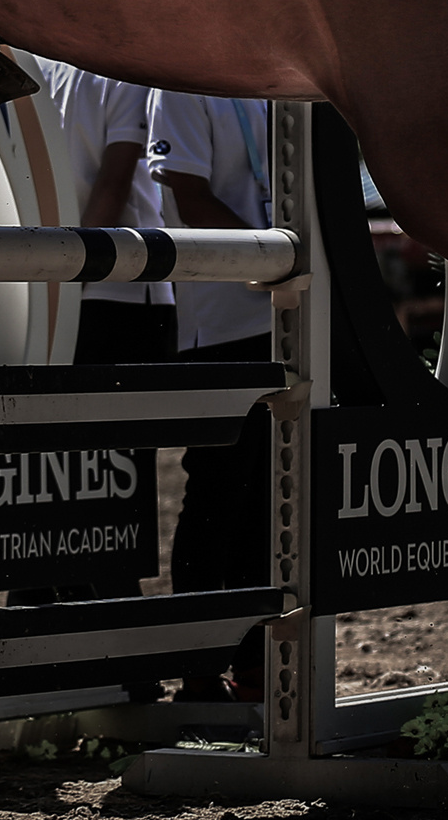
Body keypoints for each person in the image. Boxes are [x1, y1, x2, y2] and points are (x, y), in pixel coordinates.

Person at [144, 88, 273, 701]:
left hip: (285, 315)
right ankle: (196, 668)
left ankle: (253, 660)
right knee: (219, 492)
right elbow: (187, 195)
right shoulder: (178, 85)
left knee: (271, 498)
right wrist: (277, 261)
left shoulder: (271, 85)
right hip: (221, 322)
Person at [35, 57, 175, 366]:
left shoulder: (29, 62)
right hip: (124, 285)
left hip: (49, 285)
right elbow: (113, 184)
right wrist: (70, 280)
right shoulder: (123, 64)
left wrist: (54, 286)